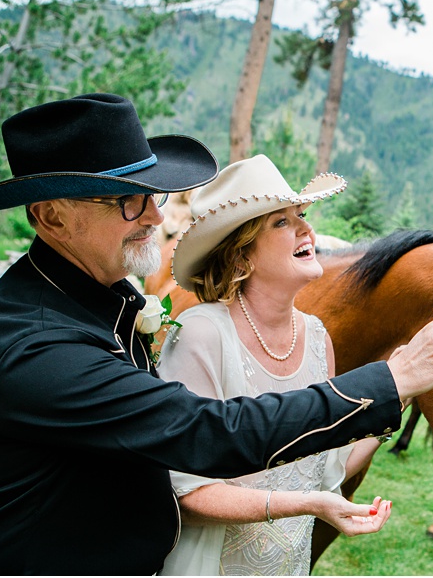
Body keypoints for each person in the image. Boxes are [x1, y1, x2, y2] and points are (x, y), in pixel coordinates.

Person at [0, 93, 433, 575]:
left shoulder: (99, 300)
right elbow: (209, 433)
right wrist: (394, 378)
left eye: (153, 195)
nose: (156, 216)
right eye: (129, 200)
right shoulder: (36, 349)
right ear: (51, 217)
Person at [156, 156, 393, 575]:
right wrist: (308, 505)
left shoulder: (318, 337)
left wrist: (403, 390)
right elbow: (185, 496)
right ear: (240, 256)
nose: (306, 229)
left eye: (300, 214)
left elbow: (324, 467)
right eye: (280, 222)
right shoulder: (199, 335)